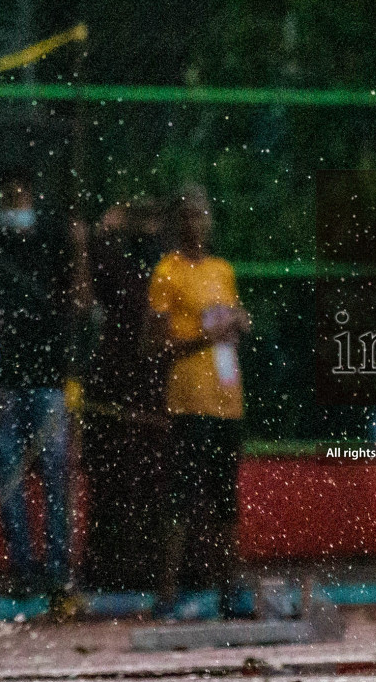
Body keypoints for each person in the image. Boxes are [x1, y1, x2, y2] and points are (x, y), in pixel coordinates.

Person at [0, 170, 89, 599]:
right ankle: (23, 570)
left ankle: (58, 569)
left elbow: (80, 304)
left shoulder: (53, 241)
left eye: (19, 193)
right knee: (9, 482)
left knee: (55, 478)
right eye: (8, 194)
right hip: (3, 380)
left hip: (47, 379)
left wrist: (80, 250)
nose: (14, 203)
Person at [146, 188, 252, 618]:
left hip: (228, 398)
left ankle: (228, 590)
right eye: (188, 216)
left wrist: (241, 321)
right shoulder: (166, 272)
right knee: (182, 498)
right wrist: (199, 340)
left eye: (202, 216)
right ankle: (167, 593)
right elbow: (152, 343)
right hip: (188, 400)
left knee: (225, 498)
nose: (196, 224)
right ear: (178, 222)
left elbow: (233, 316)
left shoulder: (222, 270)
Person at [82, 198, 169, 593]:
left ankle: (142, 566)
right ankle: (110, 568)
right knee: (112, 484)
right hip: (116, 391)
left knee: (148, 483)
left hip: (147, 391)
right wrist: (102, 233)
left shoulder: (161, 271)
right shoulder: (118, 268)